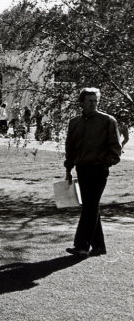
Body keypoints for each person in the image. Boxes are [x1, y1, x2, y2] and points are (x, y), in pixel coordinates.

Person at [64, 88, 123, 258]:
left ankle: (82, 246)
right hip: (81, 169)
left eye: (96, 101)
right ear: (81, 103)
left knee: (89, 207)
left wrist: (105, 164)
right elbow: (70, 146)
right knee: (91, 207)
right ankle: (98, 246)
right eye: (90, 101)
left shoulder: (107, 121)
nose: (94, 104)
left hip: (98, 170)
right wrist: (68, 167)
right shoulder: (74, 122)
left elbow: (115, 148)